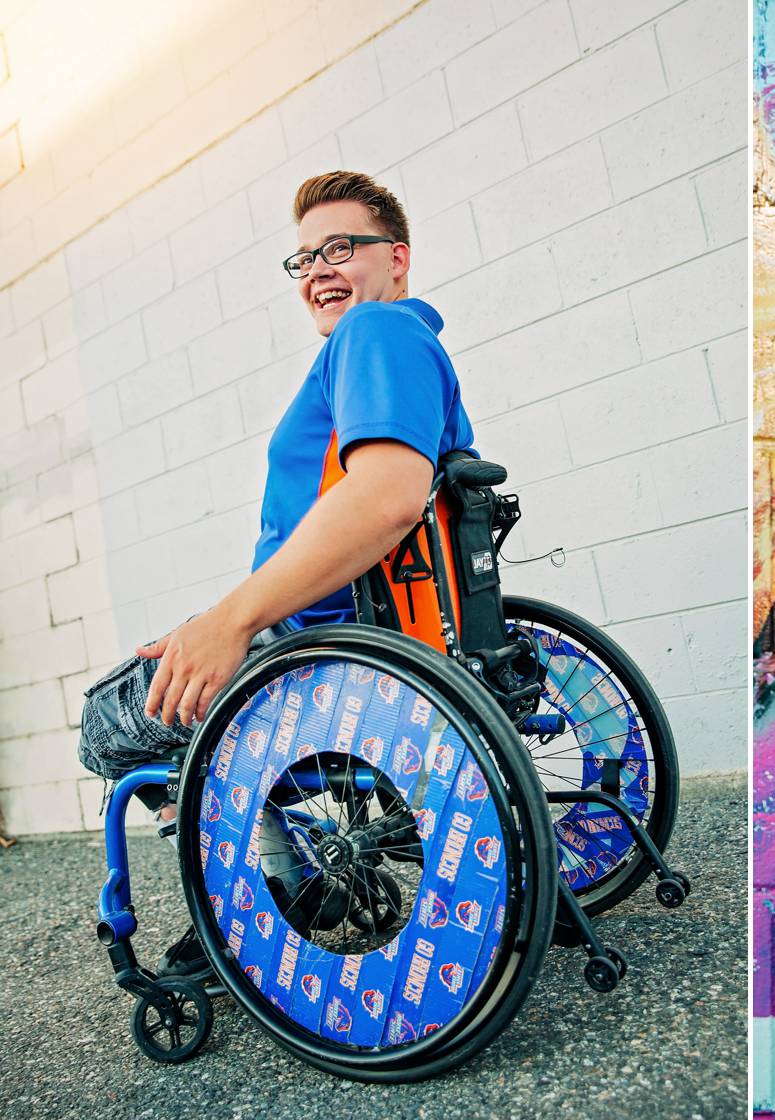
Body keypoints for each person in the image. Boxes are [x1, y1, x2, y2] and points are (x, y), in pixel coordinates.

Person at [78, 170, 477, 977]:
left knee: (108, 720)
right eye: (303, 260)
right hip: (349, 630)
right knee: (168, 674)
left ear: (398, 259)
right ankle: (280, 852)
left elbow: (388, 496)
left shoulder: (377, 335)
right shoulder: (381, 346)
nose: (320, 270)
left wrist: (231, 623)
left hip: (330, 645)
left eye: (341, 247)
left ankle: (277, 883)